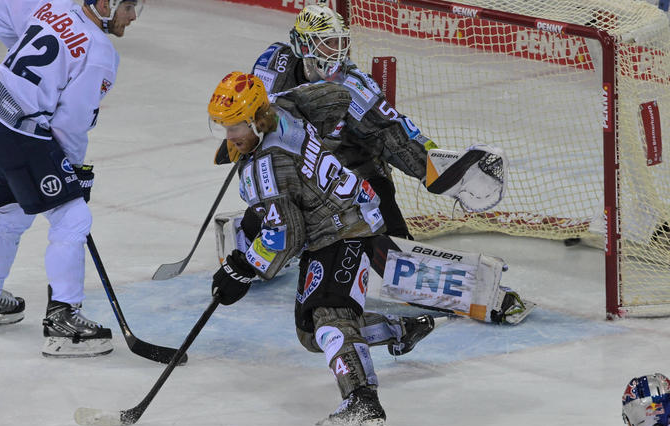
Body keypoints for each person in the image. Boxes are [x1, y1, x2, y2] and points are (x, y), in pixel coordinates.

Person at [215, 2, 530, 325]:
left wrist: (443, 172)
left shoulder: (354, 85)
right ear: (303, 45)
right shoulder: (272, 62)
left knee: (390, 255)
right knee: (269, 228)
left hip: (357, 178)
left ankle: (482, 294)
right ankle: (257, 233)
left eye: (340, 42)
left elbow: (394, 135)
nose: (337, 52)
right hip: (302, 179)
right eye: (327, 42)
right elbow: (253, 112)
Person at [207, 72, 437, 426]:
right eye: (223, 127)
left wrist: (243, 267)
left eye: (235, 126)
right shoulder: (285, 106)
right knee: (311, 333)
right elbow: (337, 95)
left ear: (255, 119)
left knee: (330, 316)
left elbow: (286, 236)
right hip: (334, 223)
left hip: (346, 227)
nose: (229, 136)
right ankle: (400, 328)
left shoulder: (270, 166)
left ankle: (363, 404)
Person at [0, 0, 143, 357]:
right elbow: (69, 123)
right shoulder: (100, 52)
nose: (133, 17)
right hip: (13, 132)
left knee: (13, 210)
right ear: (105, 4)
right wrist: (71, 170)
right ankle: (64, 319)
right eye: (130, 6)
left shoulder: (52, 6)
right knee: (72, 217)